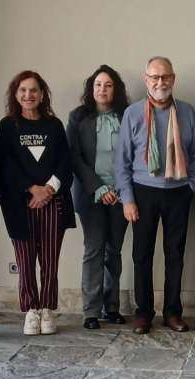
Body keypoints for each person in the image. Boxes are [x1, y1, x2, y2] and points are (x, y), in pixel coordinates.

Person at [114, 56, 195, 335]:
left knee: (175, 254)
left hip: (178, 192)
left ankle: (172, 313)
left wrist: (192, 187)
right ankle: (143, 314)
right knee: (142, 255)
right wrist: (127, 198)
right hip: (142, 192)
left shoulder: (187, 112)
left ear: (173, 79)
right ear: (146, 80)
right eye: (154, 77)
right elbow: (122, 161)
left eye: (165, 77)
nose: (160, 83)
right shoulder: (133, 113)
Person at [0, 71, 75, 336]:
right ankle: (31, 309)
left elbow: (65, 162)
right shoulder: (8, 126)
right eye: (23, 90)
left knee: (50, 260)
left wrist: (48, 190)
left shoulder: (54, 125)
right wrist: (32, 189)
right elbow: (6, 164)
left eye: (33, 90)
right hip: (21, 204)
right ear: (15, 94)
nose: (28, 95)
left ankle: (48, 308)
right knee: (26, 258)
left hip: (53, 202)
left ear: (42, 94)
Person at [67, 65, 130, 330]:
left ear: (116, 90)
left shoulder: (127, 116)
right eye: (98, 85)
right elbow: (74, 157)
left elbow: (132, 155)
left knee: (114, 252)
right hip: (90, 195)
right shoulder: (78, 117)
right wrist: (99, 189)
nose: (102, 89)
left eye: (108, 85)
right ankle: (90, 311)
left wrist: (118, 189)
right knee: (94, 250)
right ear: (91, 89)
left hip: (120, 194)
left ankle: (111, 307)